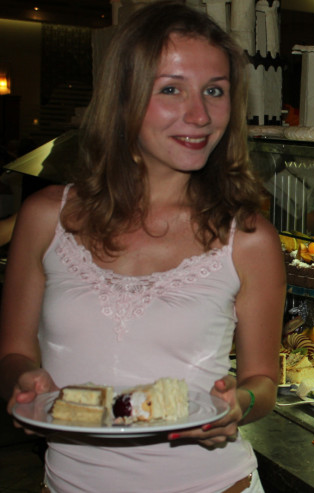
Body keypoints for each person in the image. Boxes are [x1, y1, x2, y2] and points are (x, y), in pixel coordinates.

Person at [0, 2, 285, 492]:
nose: (199, 115)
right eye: (171, 89)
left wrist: (240, 404)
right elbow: (12, 355)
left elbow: (263, 382)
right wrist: (22, 382)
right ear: (124, 97)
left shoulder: (248, 237)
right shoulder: (46, 218)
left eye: (214, 90)